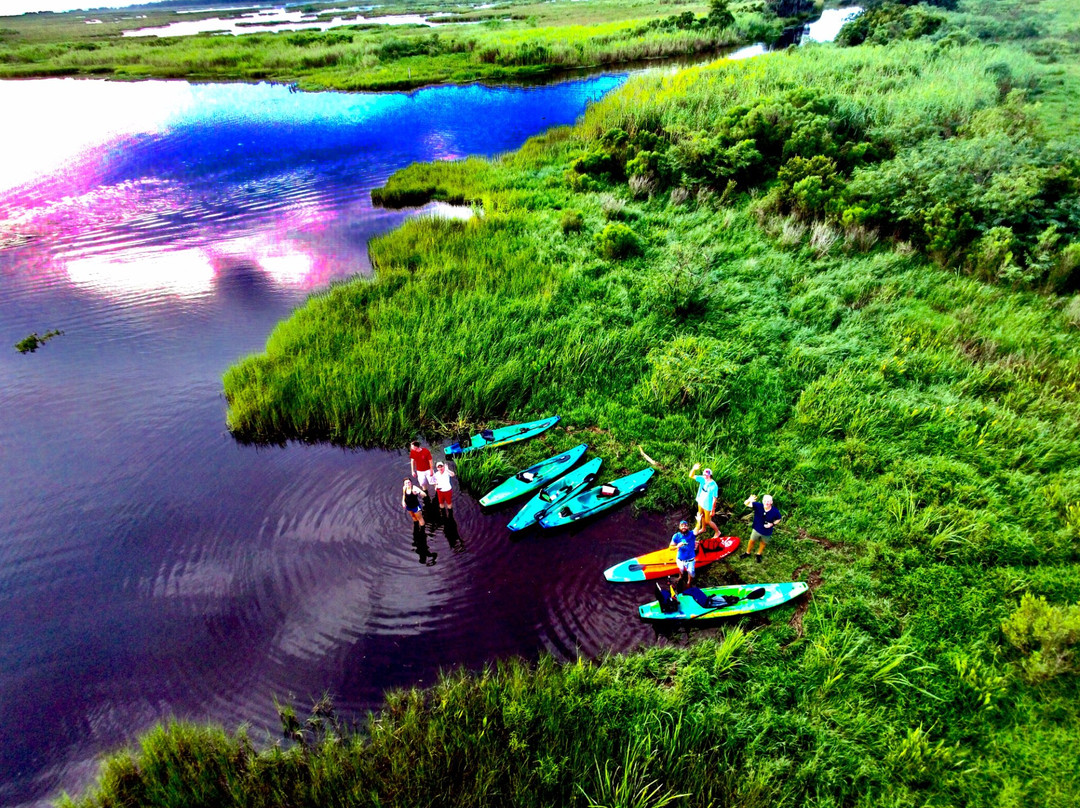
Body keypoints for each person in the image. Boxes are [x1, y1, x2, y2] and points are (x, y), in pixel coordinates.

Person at [742, 493, 782, 563]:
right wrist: (749, 500)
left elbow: (779, 519)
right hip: (756, 529)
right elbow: (746, 503)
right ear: (763, 501)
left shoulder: (775, 511)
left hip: (767, 532)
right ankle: (747, 553)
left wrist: (772, 524)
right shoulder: (758, 506)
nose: (767, 502)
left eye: (769, 501)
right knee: (751, 541)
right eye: (765, 500)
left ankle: (759, 554)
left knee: (763, 543)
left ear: (771, 502)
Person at [688, 463, 720, 540]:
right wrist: (693, 469)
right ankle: (703, 528)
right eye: (704, 474)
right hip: (700, 502)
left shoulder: (714, 486)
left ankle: (717, 532)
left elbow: (714, 499)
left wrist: (713, 510)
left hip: (707, 505)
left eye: (707, 475)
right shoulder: (702, 479)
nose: (705, 476)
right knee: (700, 515)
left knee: (708, 520)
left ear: (710, 475)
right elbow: (691, 476)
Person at [669, 519, 704, 589]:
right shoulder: (676, 536)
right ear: (679, 527)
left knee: (690, 572)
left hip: (690, 560)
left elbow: (697, 529)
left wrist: (698, 521)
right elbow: (670, 547)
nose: (684, 527)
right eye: (682, 526)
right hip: (680, 559)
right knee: (681, 569)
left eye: (685, 526)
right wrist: (677, 546)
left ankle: (689, 582)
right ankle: (680, 577)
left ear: (688, 527)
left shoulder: (691, 534)